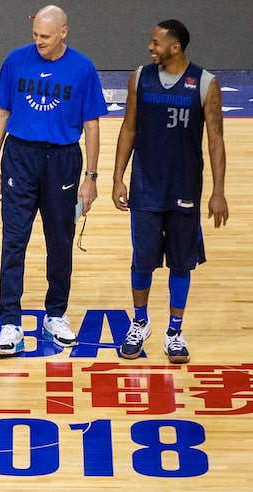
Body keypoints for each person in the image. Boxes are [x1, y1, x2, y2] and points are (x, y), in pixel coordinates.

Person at [0, 5, 108, 357]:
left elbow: (93, 124)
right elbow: (1, 112)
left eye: (46, 37)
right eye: (35, 35)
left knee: (60, 241)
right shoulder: (15, 60)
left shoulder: (82, 68)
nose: (38, 42)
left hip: (64, 160)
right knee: (14, 241)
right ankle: (10, 322)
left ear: (64, 33)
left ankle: (55, 315)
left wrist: (92, 177)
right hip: (20, 157)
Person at [112, 20, 228, 363]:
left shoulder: (205, 84)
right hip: (145, 187)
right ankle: (140, 323)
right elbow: (128, 128)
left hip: (185, 188)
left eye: (156, 42)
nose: (150, 48)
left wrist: (218, 191)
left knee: (181, 264)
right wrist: (118, 177)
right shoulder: (140, 78)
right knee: (142, 260)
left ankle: (175, 331)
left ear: (175, 47)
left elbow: (216, 140)